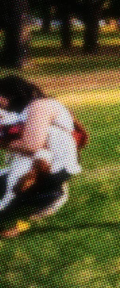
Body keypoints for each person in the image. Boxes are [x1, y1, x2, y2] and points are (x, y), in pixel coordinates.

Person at [0, 75, 82, 234]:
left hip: (50, 169)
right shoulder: (27, 109)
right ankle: (45, 194)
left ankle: (50, 195)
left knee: (9, 195)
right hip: (43, 167)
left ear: (8, 95)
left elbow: (32, 146)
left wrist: (3, 141)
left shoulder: (40, 106)